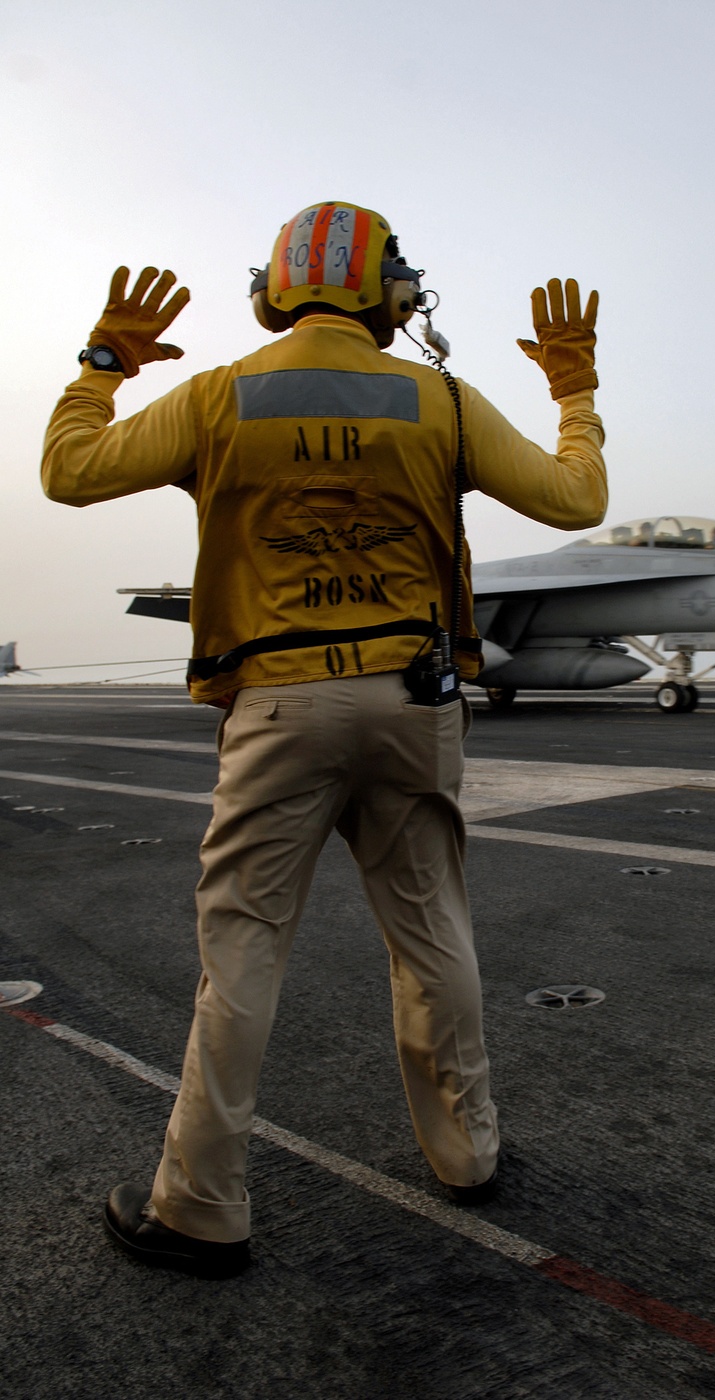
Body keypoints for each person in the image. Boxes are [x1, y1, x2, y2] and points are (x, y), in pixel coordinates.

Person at [41, 201, 607, 1277]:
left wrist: (102, 361)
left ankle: (200, 1205)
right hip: (412, 701)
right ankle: (467, 1154)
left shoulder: (219, 393)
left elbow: (70, 472)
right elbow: (578, 498)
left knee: (245, 943)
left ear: (276, 289)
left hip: (278, 702)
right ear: (387, 291)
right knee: (433, 930)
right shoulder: (438, 396)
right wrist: (574, 395)